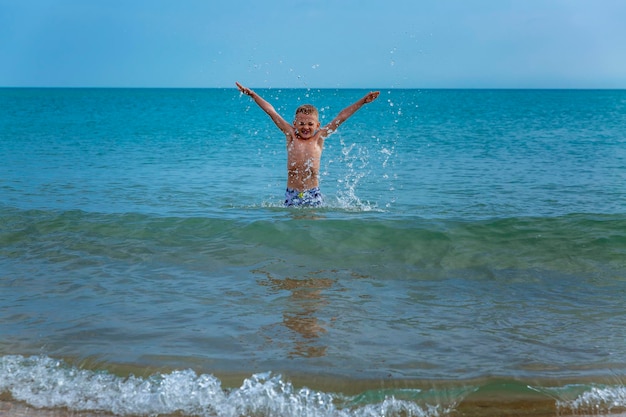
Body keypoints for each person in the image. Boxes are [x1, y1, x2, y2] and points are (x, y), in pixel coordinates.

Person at [236, 81, 380, 207]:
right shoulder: (291, 136)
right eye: (301, 123)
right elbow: (271, 112)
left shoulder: (319, 138)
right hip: (292, 194)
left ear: (317, 125)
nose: (306, 127)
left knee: (313, 227)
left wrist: (363, 101)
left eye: (310, 124)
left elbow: (341, 117)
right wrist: (253, 95)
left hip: (313, 194)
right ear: (295, 124)